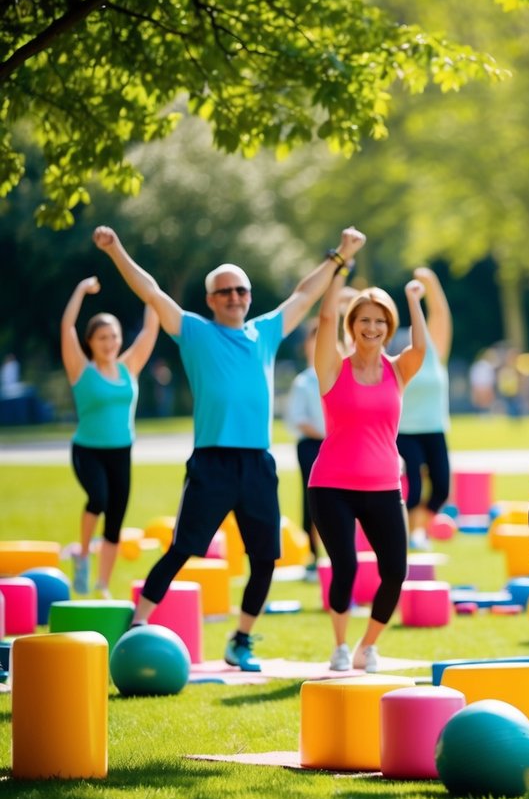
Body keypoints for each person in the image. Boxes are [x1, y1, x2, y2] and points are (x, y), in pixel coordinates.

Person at [93, 224, 366, 671]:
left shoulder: (266, 332)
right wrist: (116, 249)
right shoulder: (195, 331)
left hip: (257, 462)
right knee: (182, 548)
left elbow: (303, 294)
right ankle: (137, 625)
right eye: (224, 292)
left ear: (249, 295)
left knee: (264, 559)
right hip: (212, 461)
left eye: (240, 290)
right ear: (211, 300)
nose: (234, 297)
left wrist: (340, 255)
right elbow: (152, 291)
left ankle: (240, 639)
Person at [309, 275, 428, 672]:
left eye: (380, 321)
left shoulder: (399, 370)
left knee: (396, 570)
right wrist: (339, 267)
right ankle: (340, 645)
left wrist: (412, 299)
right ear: (352, 324)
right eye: (364, 320)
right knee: (345, 566)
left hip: (383, 487)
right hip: (330, 487)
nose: (372, 328)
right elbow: (325, 317)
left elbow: (422, 347)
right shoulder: (331, 369)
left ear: (389, 328)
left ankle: (367, 646)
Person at [61, 277, 159, 597]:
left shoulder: (129, 366)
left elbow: (149, 330)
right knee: (99, 499)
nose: (110, 342)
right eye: (103, 336)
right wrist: (79, 290)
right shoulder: (80, 369)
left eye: (114, 335)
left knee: (115, 520)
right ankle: (82, 555)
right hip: (87, 450)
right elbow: (67, 328)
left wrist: (150, 292)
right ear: (91, 341)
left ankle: (103, 584)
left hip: (122, 451)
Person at [395, 266, 452, 551]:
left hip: (435, 429)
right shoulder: (401, 357)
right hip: (405, 431)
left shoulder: (435, 351)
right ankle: (411, 534)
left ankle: (417, 530)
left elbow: (440, 315)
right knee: (414, 487)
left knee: (441, 488)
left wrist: (431, 282)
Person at [285, 320, 326, 579]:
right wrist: (327, 435)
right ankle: (313, 556)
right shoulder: (304, 382)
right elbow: (297, 419)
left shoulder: (341, 373)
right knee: (313, 501)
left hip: (338, 445)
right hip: (312, 447)